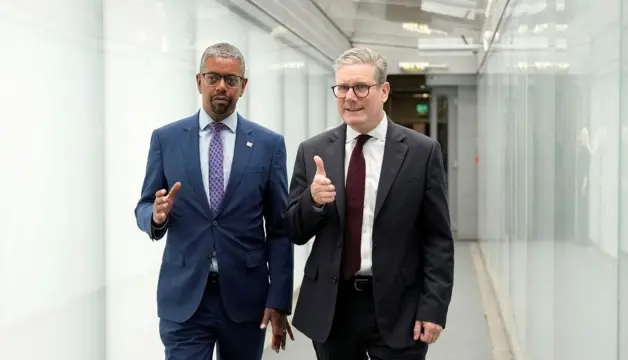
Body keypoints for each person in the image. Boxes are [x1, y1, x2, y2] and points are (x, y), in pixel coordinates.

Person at [285, 47, 455, 360]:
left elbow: (438, 239)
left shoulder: (421, 152)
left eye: (361, 87)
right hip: (333, 308)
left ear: (384, 91)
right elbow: (294, 231)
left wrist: (433, 308)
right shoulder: (313, 151)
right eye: (342, 88)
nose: (350, 96)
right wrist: (312, 201)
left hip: (398, 306)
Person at [134, 42, 294, 360]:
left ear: (243, 86)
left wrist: (279, 299)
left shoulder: (268, 144)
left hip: (246, 299)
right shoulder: (166, 139)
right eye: (213, 77)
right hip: (185, 298)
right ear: (199, 81)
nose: (221, 86)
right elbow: (143, 206)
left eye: (231, 79)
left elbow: (280, 228)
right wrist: (157, 215)